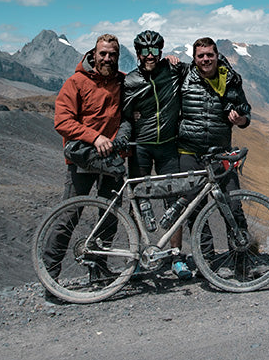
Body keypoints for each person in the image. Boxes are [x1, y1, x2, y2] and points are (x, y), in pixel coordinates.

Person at [41, 34, 126, 281]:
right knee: (69, 216)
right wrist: (95, 137)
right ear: (94, 54)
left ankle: (98, 270)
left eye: (112, 54)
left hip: (112, 160)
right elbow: (63, 122)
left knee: (109, 217)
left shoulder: (122, 82)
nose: (107, 58)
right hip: (82, 160)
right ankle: (51, 277)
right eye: (103, 54)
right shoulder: (76, 82)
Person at [114, 30, 192, 278]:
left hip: (168, 146)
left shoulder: (173, 72)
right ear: (137, 53)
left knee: (174, 198)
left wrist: (177, 60)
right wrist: (124, 136)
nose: (150, 55)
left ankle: (176, 256)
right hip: (141, 148)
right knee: (138, 201)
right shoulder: (130, 82)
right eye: (145, 51)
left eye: (155, 51)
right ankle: (137, 257)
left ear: (160, 52)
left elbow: (202, 68)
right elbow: (126, 116)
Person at [171, 37, 252, 264]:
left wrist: (241, 119)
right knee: (194, 211)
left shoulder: (231, 80)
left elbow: (246, 115)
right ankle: (207, 262)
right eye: (201, 56)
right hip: (189, 153)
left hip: (220, 153)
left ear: (217, 56)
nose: (205, 59)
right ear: (194, 59)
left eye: (209, 55)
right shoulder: (183, 75)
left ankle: (242, 262)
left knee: (233, 205)